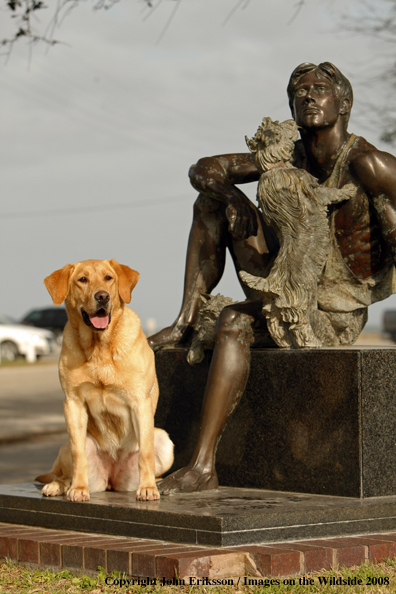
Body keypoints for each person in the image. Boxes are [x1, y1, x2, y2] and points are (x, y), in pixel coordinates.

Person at [149, 62, 396, 494]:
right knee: (211, 202)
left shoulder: (367, 164)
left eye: (320, 89)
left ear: (344, 102)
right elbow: (202, 169)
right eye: (300, 91)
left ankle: (203, 465)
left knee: (232, 321)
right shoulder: (285, 156)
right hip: (281, 281)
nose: (309, 96)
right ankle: (186, 319)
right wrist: (231, 196)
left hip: (330, 312)